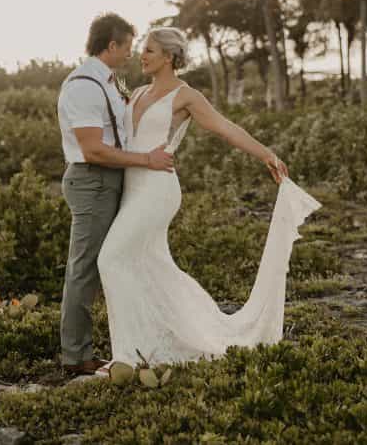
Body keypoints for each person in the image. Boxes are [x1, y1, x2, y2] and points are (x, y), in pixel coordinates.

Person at [97, 26, 321, 371]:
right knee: (151, 266)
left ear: (170, 57)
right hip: (132, 187)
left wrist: (267, 155)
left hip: (158, 191)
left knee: (111, 258)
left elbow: (226, 128)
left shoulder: (186, 96)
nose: (142, 56)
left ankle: (128, 354)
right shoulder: (138, 91)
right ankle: (150, 347)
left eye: (150, 51)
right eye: (143, 50)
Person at [56, 13, 175, 376]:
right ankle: (76, 358)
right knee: (85, 269)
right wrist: (147, 160)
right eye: (126, 47)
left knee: (113, 262)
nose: (130, 55)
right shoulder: (83, 86)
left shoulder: (108, 82)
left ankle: (126, 341)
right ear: (111, 45)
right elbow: (93, 149)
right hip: (92, 180)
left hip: (111, 181)